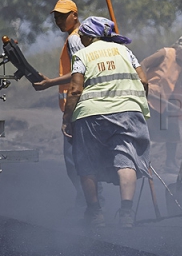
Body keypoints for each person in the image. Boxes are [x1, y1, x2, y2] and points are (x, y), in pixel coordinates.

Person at [62, 16, 151, 229]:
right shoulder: (125, 51)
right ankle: (127, 214)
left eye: (82, 34)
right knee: (126, 158)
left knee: (86, 161)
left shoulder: (82, 55)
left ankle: (95, 215)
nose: (80, 37)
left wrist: (67, 118)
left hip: (91, 116)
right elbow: (144, 80)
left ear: (91, 35)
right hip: (128, 112)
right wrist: (138, 102)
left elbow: (75, 89)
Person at [32, 0, 102, 206]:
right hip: (78, 106)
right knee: (79, 160)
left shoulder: (75, 39)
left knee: (76, 162)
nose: (59, 21)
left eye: (63, 16)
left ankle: (91, 201)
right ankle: (90, 199)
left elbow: (79, 73)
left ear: (75, 15)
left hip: (78, 108)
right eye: (56, 17)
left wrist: (50, 82)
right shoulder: (77, 37)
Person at [141, 35, 182, 173]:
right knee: (144, 132)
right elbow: (143, 64)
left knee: (173, 130)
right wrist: (143, 84)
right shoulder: (165, 53)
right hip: (148, 98)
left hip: (165, 101)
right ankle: (140, 161)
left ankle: (170, 162)